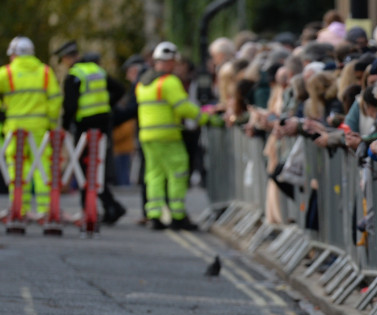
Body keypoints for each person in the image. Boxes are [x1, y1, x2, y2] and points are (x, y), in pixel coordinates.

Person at [136, 41, 220, 230]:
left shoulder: (144, 82)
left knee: (154, 175)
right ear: (171, 61)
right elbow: (183, 107)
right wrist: (205, 118)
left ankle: (155, 215)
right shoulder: (169, 82)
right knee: (178, 173)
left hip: (147, 136)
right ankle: (177, 215)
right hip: (168, 135)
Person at [55, 41, 127, 224]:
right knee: (96, 166)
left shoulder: (74, 75)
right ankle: (110, 207)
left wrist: (64, 126)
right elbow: (119, 89)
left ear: (67, 58)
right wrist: (106, 106)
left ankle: (90, 209)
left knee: (84, 168)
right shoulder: (97, 71)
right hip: (102, 125)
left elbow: (70, 106)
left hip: (85, 128)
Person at [0, 37, 62, 218]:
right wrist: (51, 123)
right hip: (39, 128)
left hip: (14, 129)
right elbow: (55, 100)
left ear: (13, 54)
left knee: (17, 167)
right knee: (43, 166)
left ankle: (20, 208)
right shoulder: (45, 72)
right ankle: (45, 209)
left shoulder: (7, 73)